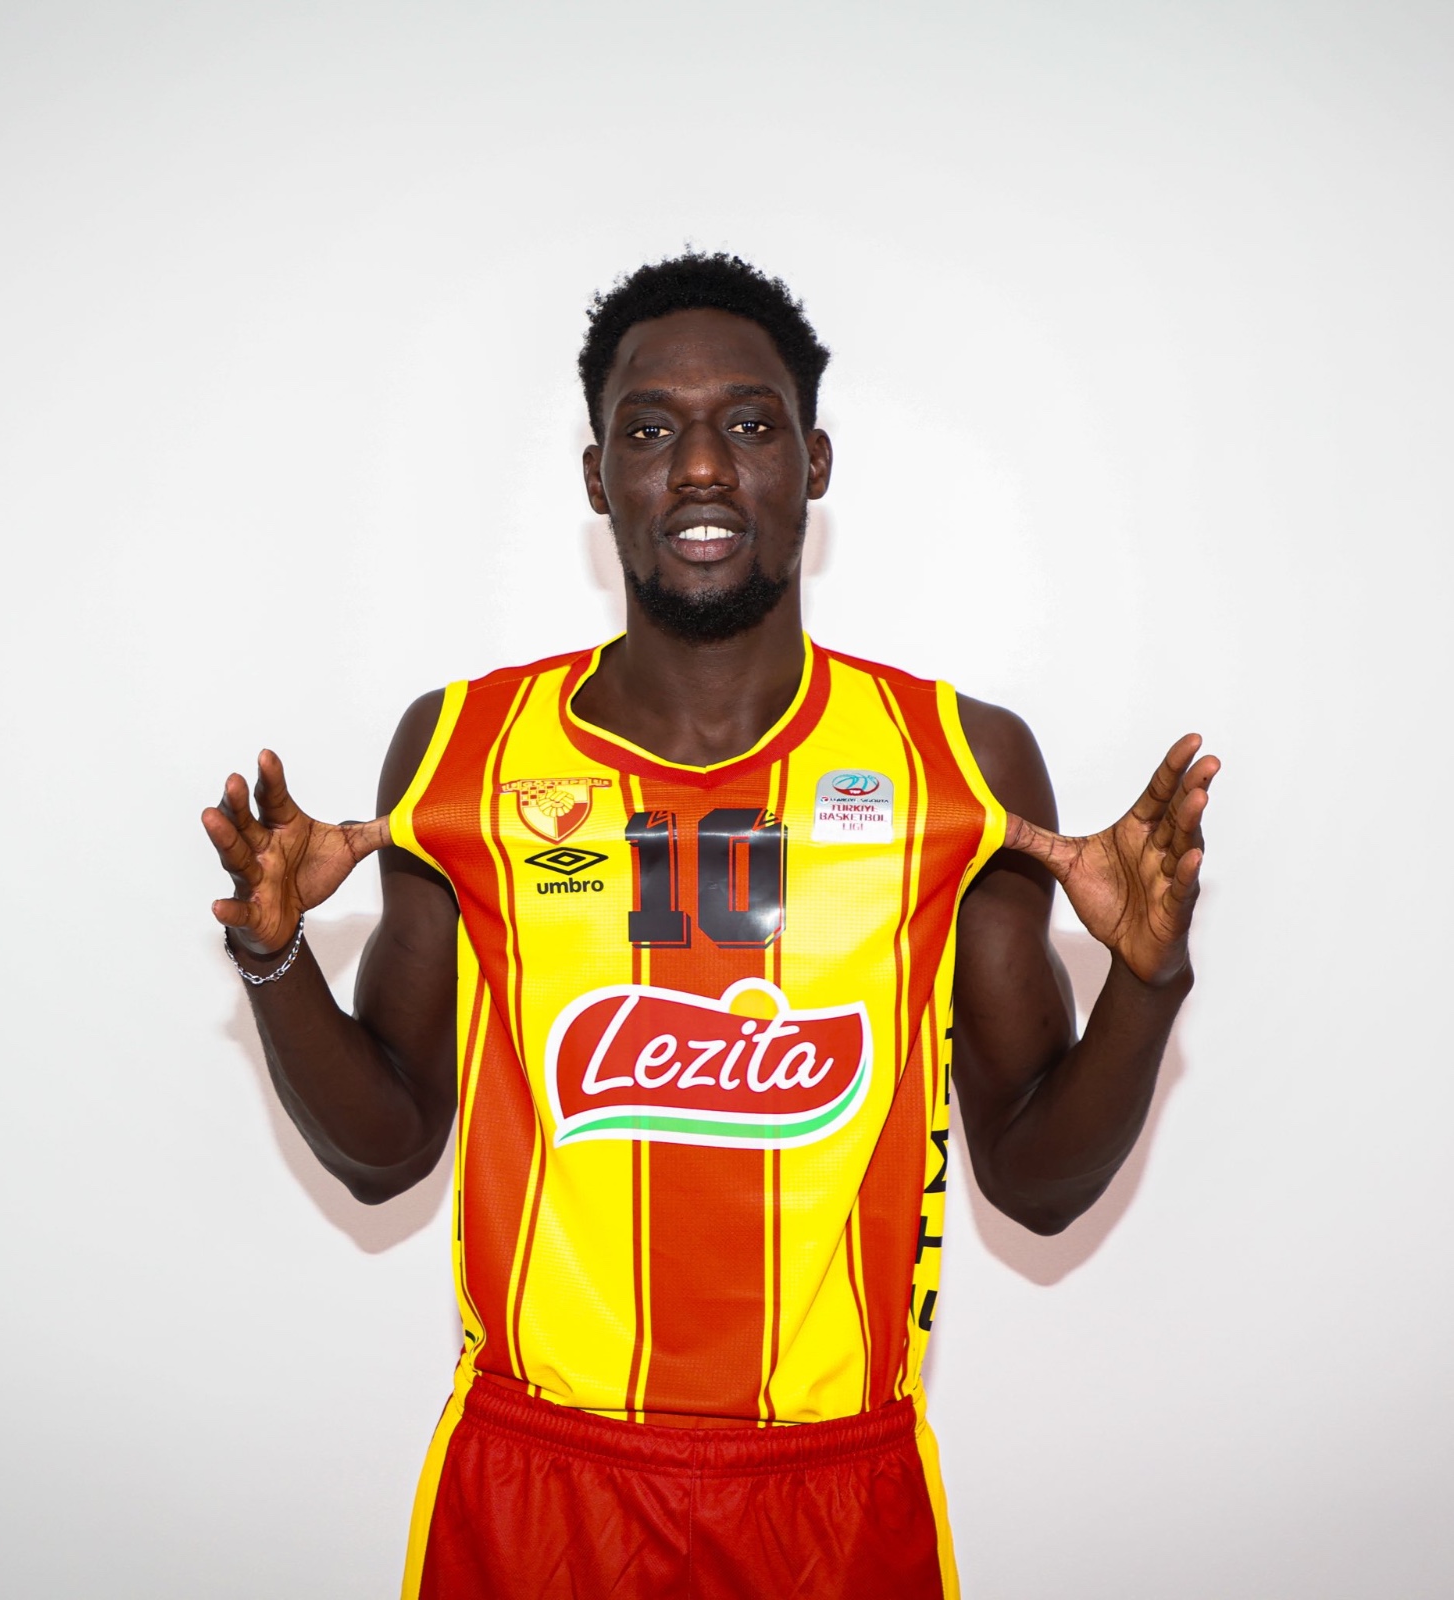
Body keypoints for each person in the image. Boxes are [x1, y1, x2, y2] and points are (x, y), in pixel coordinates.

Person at [202, 253, 1217, 1600]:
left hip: (832, 1497)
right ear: (596, 477)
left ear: (814, 462)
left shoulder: (960, 768)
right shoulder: (461, 755)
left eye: (748, 423)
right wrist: (272, 958)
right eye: (648, 430)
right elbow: (387, 1155)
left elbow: (1037, 1186)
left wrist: (1145, 983)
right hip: (540, 1484)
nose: (698, 467)